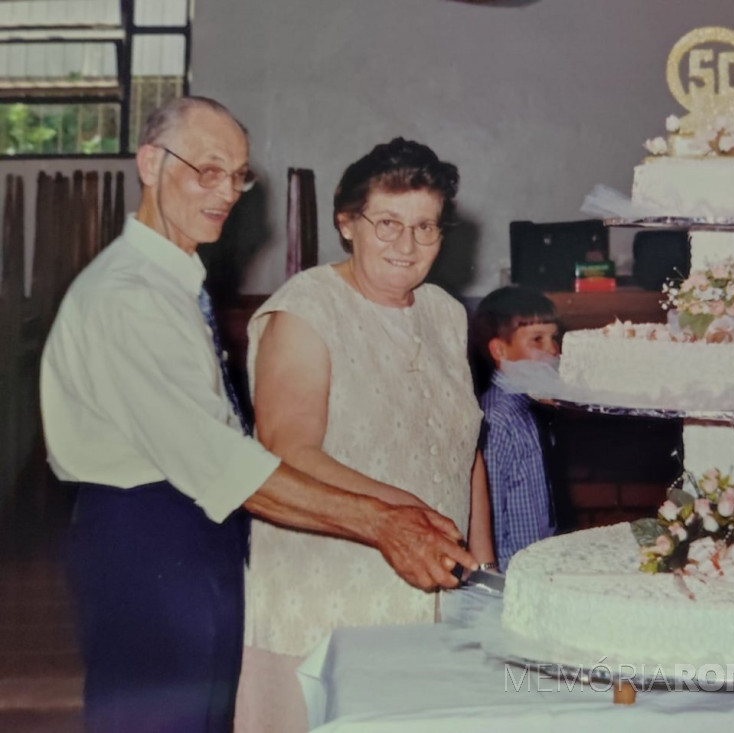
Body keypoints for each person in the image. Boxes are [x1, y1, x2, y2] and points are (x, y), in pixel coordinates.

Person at [39, 99, 476, 733]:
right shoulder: (127, 297)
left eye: (239, 175)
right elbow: (227, 465)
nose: (226, 192)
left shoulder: (173, 281)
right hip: (147, 536)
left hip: (200, 536)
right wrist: (387, 523)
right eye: (208, 169)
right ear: (150, 163)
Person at [235, 137, 495, 732]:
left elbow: (465, 449)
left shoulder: (445, 313)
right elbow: (287, 449)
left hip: (436, 580)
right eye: (388, 224)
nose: (407, 245)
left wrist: (481, 562)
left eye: (426, 227)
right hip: (329, 582)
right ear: (346, 223)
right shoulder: (306, 311)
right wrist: (413, 512)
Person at [470, 285, 562, 571]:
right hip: (512, 570)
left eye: (553, 338)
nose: (553, 350)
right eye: (538, 340)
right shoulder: (495, 419)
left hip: (539, 563)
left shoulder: (529, 406)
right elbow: (489, 512)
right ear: (500, 349)